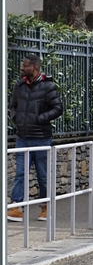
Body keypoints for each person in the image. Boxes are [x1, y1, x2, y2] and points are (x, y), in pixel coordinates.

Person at [8, 53, 63, 221]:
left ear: (35, 68)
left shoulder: (48, 86)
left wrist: (39, 119)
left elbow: (58, 108)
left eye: (25, 66)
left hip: (41, 138)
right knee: (20, 173)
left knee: (43, 175)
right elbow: (12, 105)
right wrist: (15, 117)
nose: (22, 68)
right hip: (22, 138)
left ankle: (47, 207)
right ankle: (16, 206)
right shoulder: (19, 85)